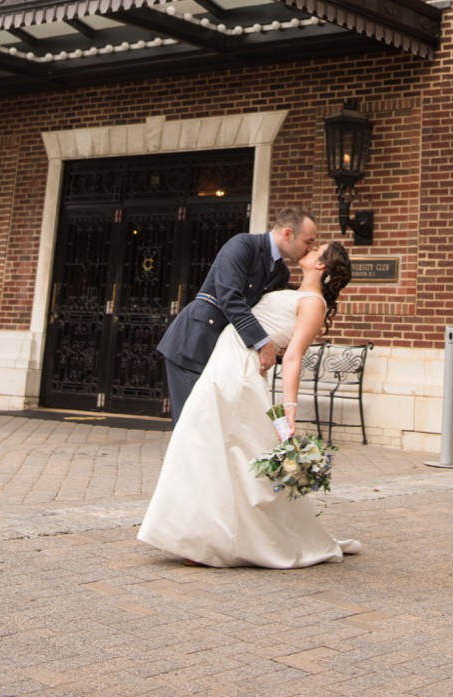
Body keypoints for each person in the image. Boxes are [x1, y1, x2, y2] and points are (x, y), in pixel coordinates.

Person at [138, 240, 359, 568]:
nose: (308, 249)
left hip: (238, 375)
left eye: (315, 249)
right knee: (201, 446)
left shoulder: (313, 303)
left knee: (216, 449)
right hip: (223, 363)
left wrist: (289, 411)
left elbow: (294, 357)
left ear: (321, 265)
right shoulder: (286, 285)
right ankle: (198, 534)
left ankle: (212, 540)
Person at [157, 206, 318, 422]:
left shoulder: (281, 272)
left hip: (225, 350)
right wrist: (262, 343)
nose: (310, 248)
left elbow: (265, 312)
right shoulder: (243, 245)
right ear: (288, 233)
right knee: (192, 422)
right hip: (193, 343)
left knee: (215, 424)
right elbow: (230, 298)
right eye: (308, 241)